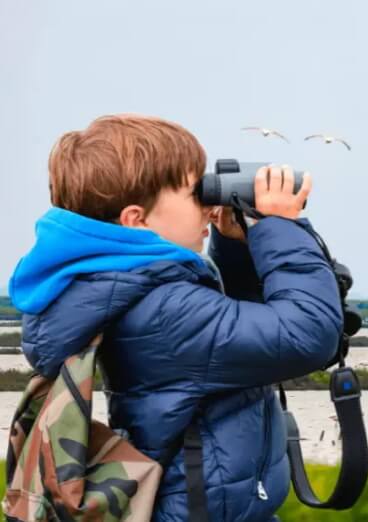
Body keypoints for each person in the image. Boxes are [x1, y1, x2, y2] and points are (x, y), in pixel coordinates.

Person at [8, 114, 343, 521]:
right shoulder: (166, 311)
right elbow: (306, 333)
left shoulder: (131, 293)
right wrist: (280, 228)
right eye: (193, 192)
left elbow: (238, 333)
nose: (207, 203)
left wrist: (237, 249)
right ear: (137, 220)